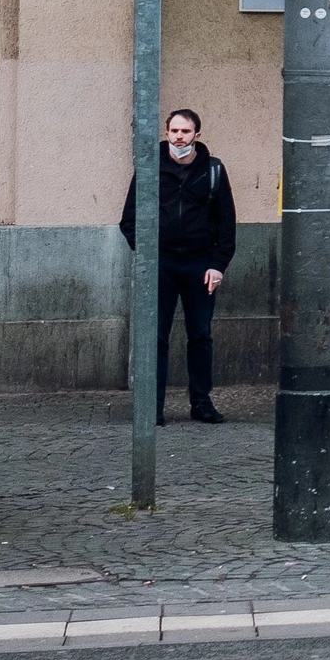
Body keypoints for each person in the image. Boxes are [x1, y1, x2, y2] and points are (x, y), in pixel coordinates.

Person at [118, 108, 237, 424]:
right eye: (174, 131)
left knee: (200, 335)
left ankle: (201, 403)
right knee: (156, 336)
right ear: (167, 133)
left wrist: (218, 265)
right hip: (162, 263)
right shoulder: (149, 168)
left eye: (185, 132)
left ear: (197, 134)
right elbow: (129, 220)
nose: (179, 137)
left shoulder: (213, 171)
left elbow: (227, 224)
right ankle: (152, 407)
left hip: (200, 264)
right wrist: (147, 256)